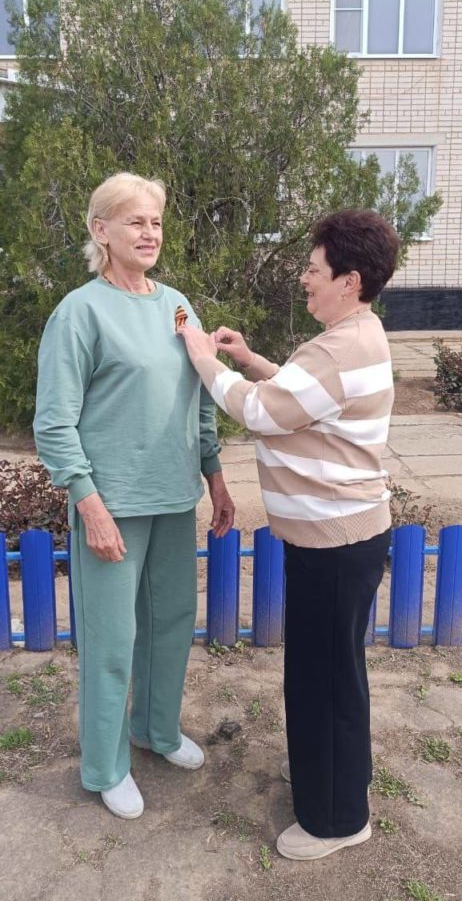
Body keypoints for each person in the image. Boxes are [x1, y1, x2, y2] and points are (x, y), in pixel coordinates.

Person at [178, 208, 400, 861]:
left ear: (349, 281)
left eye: (313, 269)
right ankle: (338, 778)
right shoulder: (357, 335)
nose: (304, 279)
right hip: (343, 540)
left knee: (323, 680)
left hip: (335, 546)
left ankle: (336, 820)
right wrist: (251, 359)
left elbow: (260, 411)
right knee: (334, 672)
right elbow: (308, 397)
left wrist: (206, 362)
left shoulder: (340, 347)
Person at [34, 172, 235, 819]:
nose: (149, 233)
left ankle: (156, 730)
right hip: (112, 504)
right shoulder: (80, 312)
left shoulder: (178, 306)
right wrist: (87, 502)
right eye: (135, 222)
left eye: (156, 222)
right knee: (111, 641)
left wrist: (214, 474)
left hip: (174, 497)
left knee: (171, 626)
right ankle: (105, 766)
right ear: (101, 231)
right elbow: (54, 422)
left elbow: (200, 395)